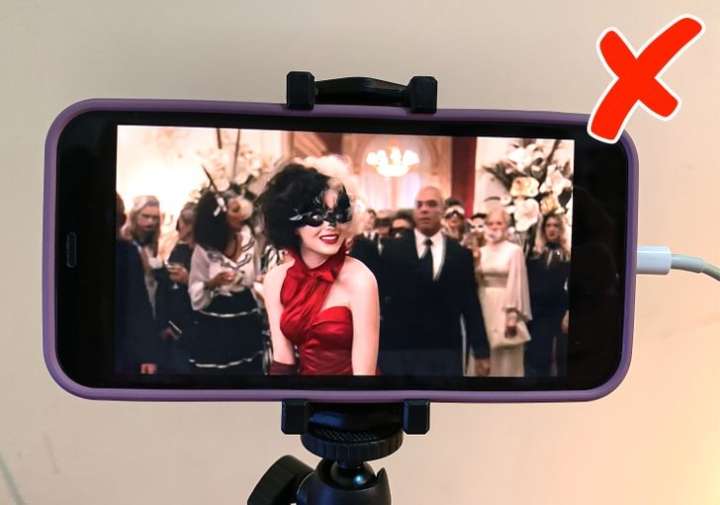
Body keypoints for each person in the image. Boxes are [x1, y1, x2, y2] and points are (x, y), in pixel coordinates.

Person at [258, 164, 379, 376]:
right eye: (316, 216)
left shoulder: (360, 279)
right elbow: (283, 361)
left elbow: (364, 376)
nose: (331, 225)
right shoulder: (275, 279)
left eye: (338, 214)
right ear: (292, 224)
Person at [377, 186, 490, 376]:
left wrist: (481, 351)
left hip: (445, 349)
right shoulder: (392, 250)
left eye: (431, 204)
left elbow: (470, 303)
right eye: (419, 205)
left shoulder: (460, 254)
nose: (424, 210)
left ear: (442, 211)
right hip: (400, 349)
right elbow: (379, 300)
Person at [186, 184, 265, 374]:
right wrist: (212, 284)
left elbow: (256, 276)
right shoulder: (203, 251)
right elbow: (195, 290)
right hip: (216, 325)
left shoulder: (249, 242)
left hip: (246, 318)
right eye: (235, 211)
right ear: (220, 217)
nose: (242, 215)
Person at [475, 208, 532, 377]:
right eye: (490, 223)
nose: (494, 227)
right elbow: (477, 282)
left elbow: (517, 282)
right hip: (483, 303)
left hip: (505, 305)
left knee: (505, 356)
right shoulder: (481, 251)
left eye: (499, 223)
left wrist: (512, 316)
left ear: (506, 226)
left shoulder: (514, 251)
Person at [525, 214, 571, 376]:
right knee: (538, 357)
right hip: (537, 312)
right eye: (548, 225)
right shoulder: (535, 254)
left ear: (561, 229)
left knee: (562, 356)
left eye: (555, 226)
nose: (552, 229)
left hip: (559, 310)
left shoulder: (566, 255)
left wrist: (568, 313)